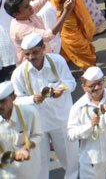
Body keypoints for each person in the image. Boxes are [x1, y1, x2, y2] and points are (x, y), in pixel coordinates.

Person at [14, 32, 77, 178]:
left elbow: (71, 83)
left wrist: (62, 89)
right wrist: (33, 99)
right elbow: (16, 101)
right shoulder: (19, 74)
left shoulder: (58, 61)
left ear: (43, 47)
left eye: (35, 52)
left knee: (70, 158)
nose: (31, 58)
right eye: (27, 54)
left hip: (60, 119)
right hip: (37, 124)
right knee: (39, 164)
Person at [68, 66, 106, 179]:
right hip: (93, 158)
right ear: (83, 87)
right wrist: (90, 126)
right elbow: (71, 134)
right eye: (92, 85)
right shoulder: (78, 107)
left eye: (100, 83)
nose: (97, 88)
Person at [0, 80, 43, 179]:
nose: (0, 106)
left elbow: (37, 135)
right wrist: (13, 156)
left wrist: (26, 147)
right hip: (5, 173)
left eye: (2, 101)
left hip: (29, 171)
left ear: (13, 98)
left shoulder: (30, 113)